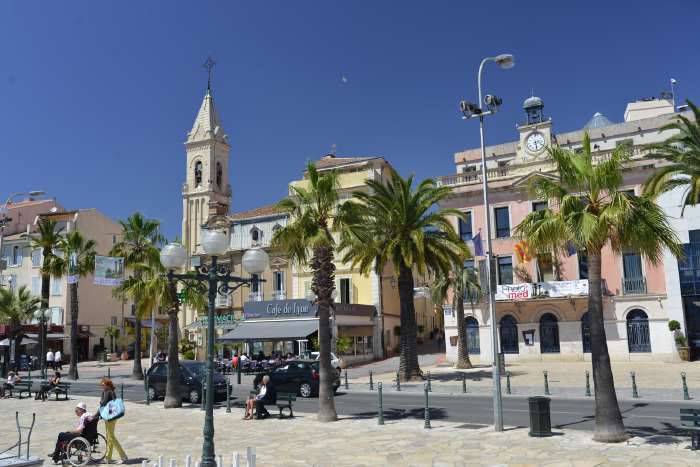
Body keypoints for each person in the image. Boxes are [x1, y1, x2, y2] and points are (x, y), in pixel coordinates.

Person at [98, 377, 128, 465]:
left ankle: (123, 456)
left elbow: (103, 403)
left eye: (103, 384)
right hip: (109, 416)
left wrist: (101, 399)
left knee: (111, 437)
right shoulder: (107, 391)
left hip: (110, 417)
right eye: (102, 384)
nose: (102, 386)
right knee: (109, 437)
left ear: (107, 384)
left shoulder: (108, 392)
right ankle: (108, 458)